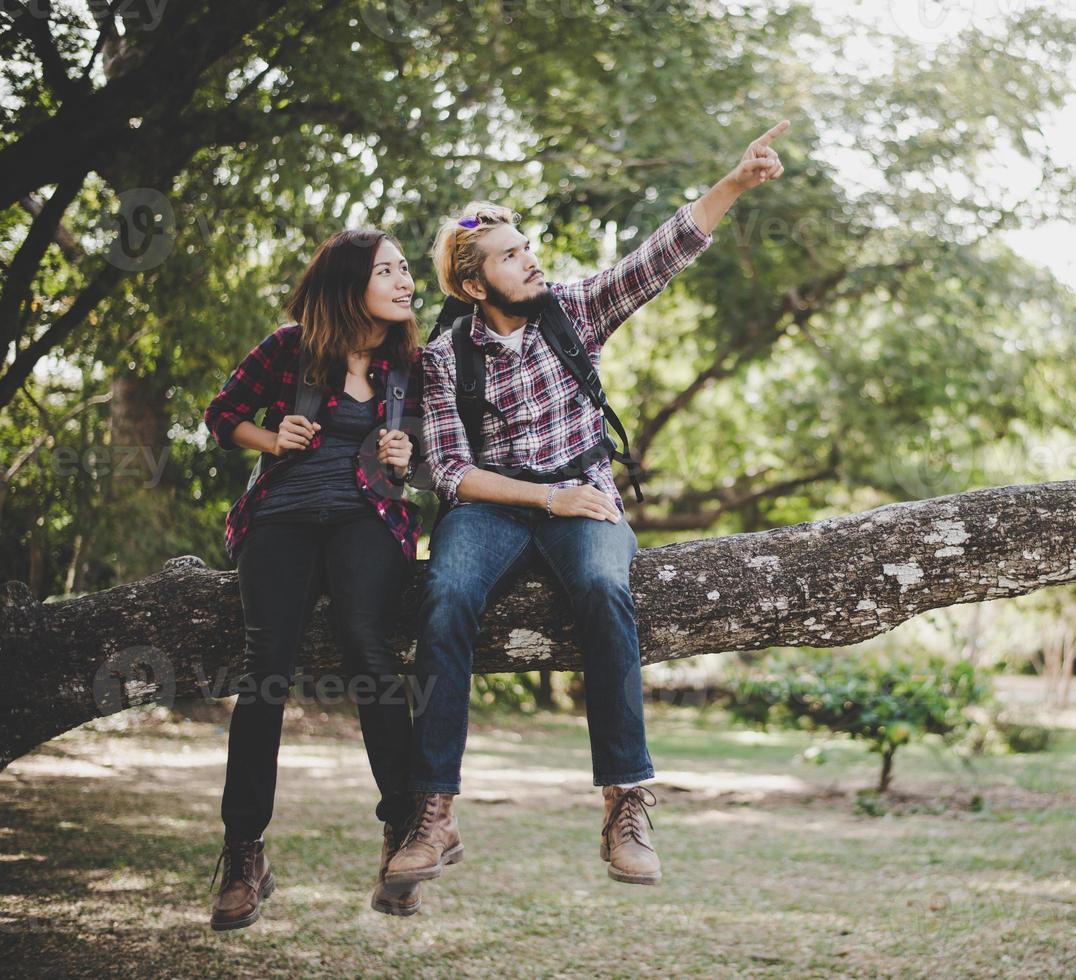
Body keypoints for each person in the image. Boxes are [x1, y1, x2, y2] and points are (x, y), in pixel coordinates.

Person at [384, 120, 790, 889]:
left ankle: (625, 804)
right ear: (473, 285)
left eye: (525, 244)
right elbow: (450, 474)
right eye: (509, 254)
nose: (529, 257)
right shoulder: (442, 358)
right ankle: (433, 813)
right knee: (443, 598)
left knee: (606, 588)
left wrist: (734, 182)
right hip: (494, 503)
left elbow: (658, 256)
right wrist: (548, 497)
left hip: (586, 489)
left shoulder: (573, 310)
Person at [202, 228, 425, 929]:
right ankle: (244, 855)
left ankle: (402, 835)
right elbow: (221, 415)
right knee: (266, 665)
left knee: (366, 644)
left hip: (369, 518)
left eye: (404, 268)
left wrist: (403, 456)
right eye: (385, 269)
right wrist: (273, 439)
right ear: (348, 282)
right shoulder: (289, 347)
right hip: (282, 514)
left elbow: (437, 462)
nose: (402, 279)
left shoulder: (408, 366)